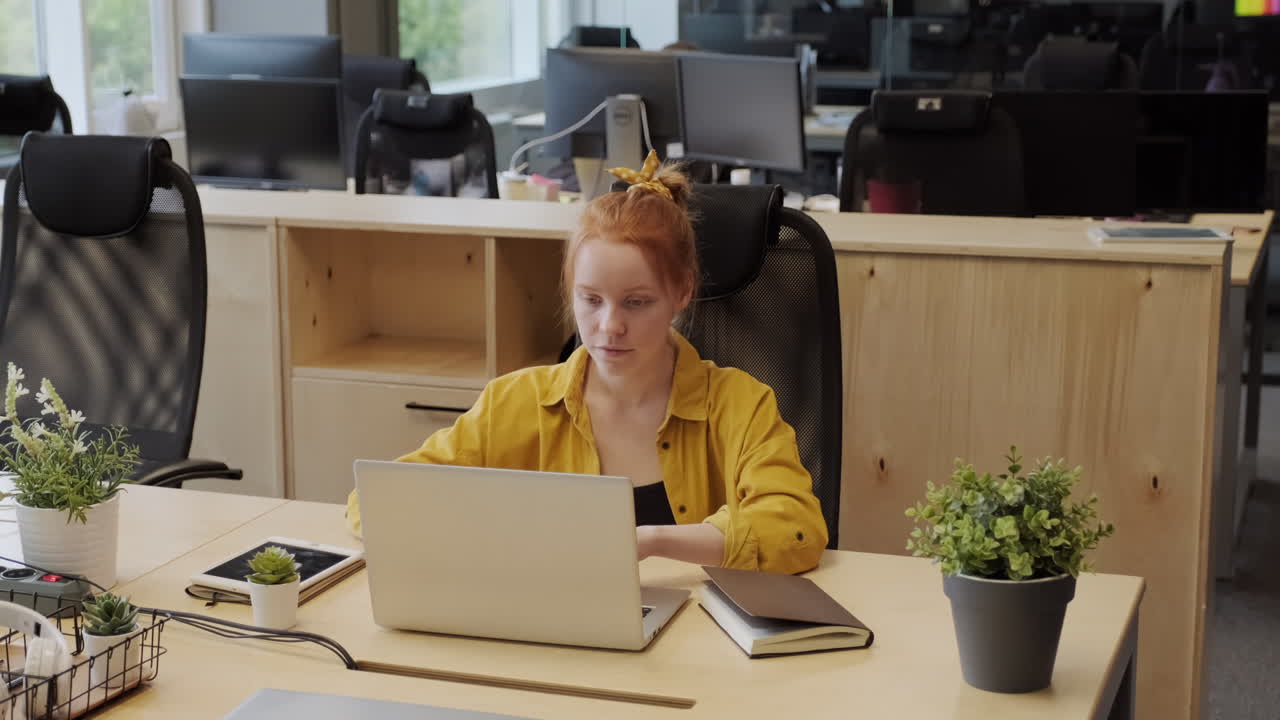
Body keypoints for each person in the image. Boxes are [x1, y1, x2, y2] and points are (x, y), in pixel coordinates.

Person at [346, 150, 827, 574]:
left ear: (681, 292)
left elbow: (797, 529)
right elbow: (378, 501)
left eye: (636, 303)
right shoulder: (514, 403)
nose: (608, 326)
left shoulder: (740, 403)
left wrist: (652, 542)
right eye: (591, 300)